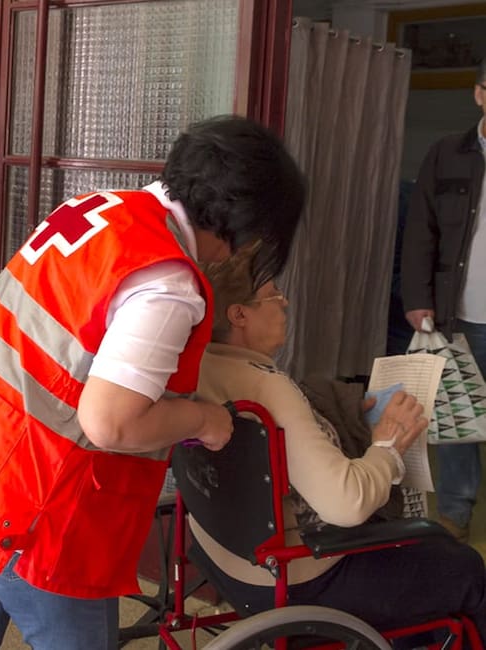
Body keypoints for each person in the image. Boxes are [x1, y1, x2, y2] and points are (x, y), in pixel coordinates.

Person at [0, 115, 306, 650]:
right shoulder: (167, 283)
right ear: (241, 221)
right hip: (27, 513)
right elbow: (110, 423)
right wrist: (205, 419)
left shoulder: (98, 209)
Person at [191, 245, 486, 640]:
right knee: (463, 565)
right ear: (239, 315)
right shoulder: (267, 388)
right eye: (274, 295)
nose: (285, 302)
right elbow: (347, 504)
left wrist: (346, 415)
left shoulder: (197, 365)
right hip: (296, 578)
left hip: (223, 559)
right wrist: (387, 447)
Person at [401, 59, 486, 543]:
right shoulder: (446, 155)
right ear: (479, 94)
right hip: (460, 315)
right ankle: (455, 511)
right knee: (458, 418)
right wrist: (418, 297)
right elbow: (421, 232)